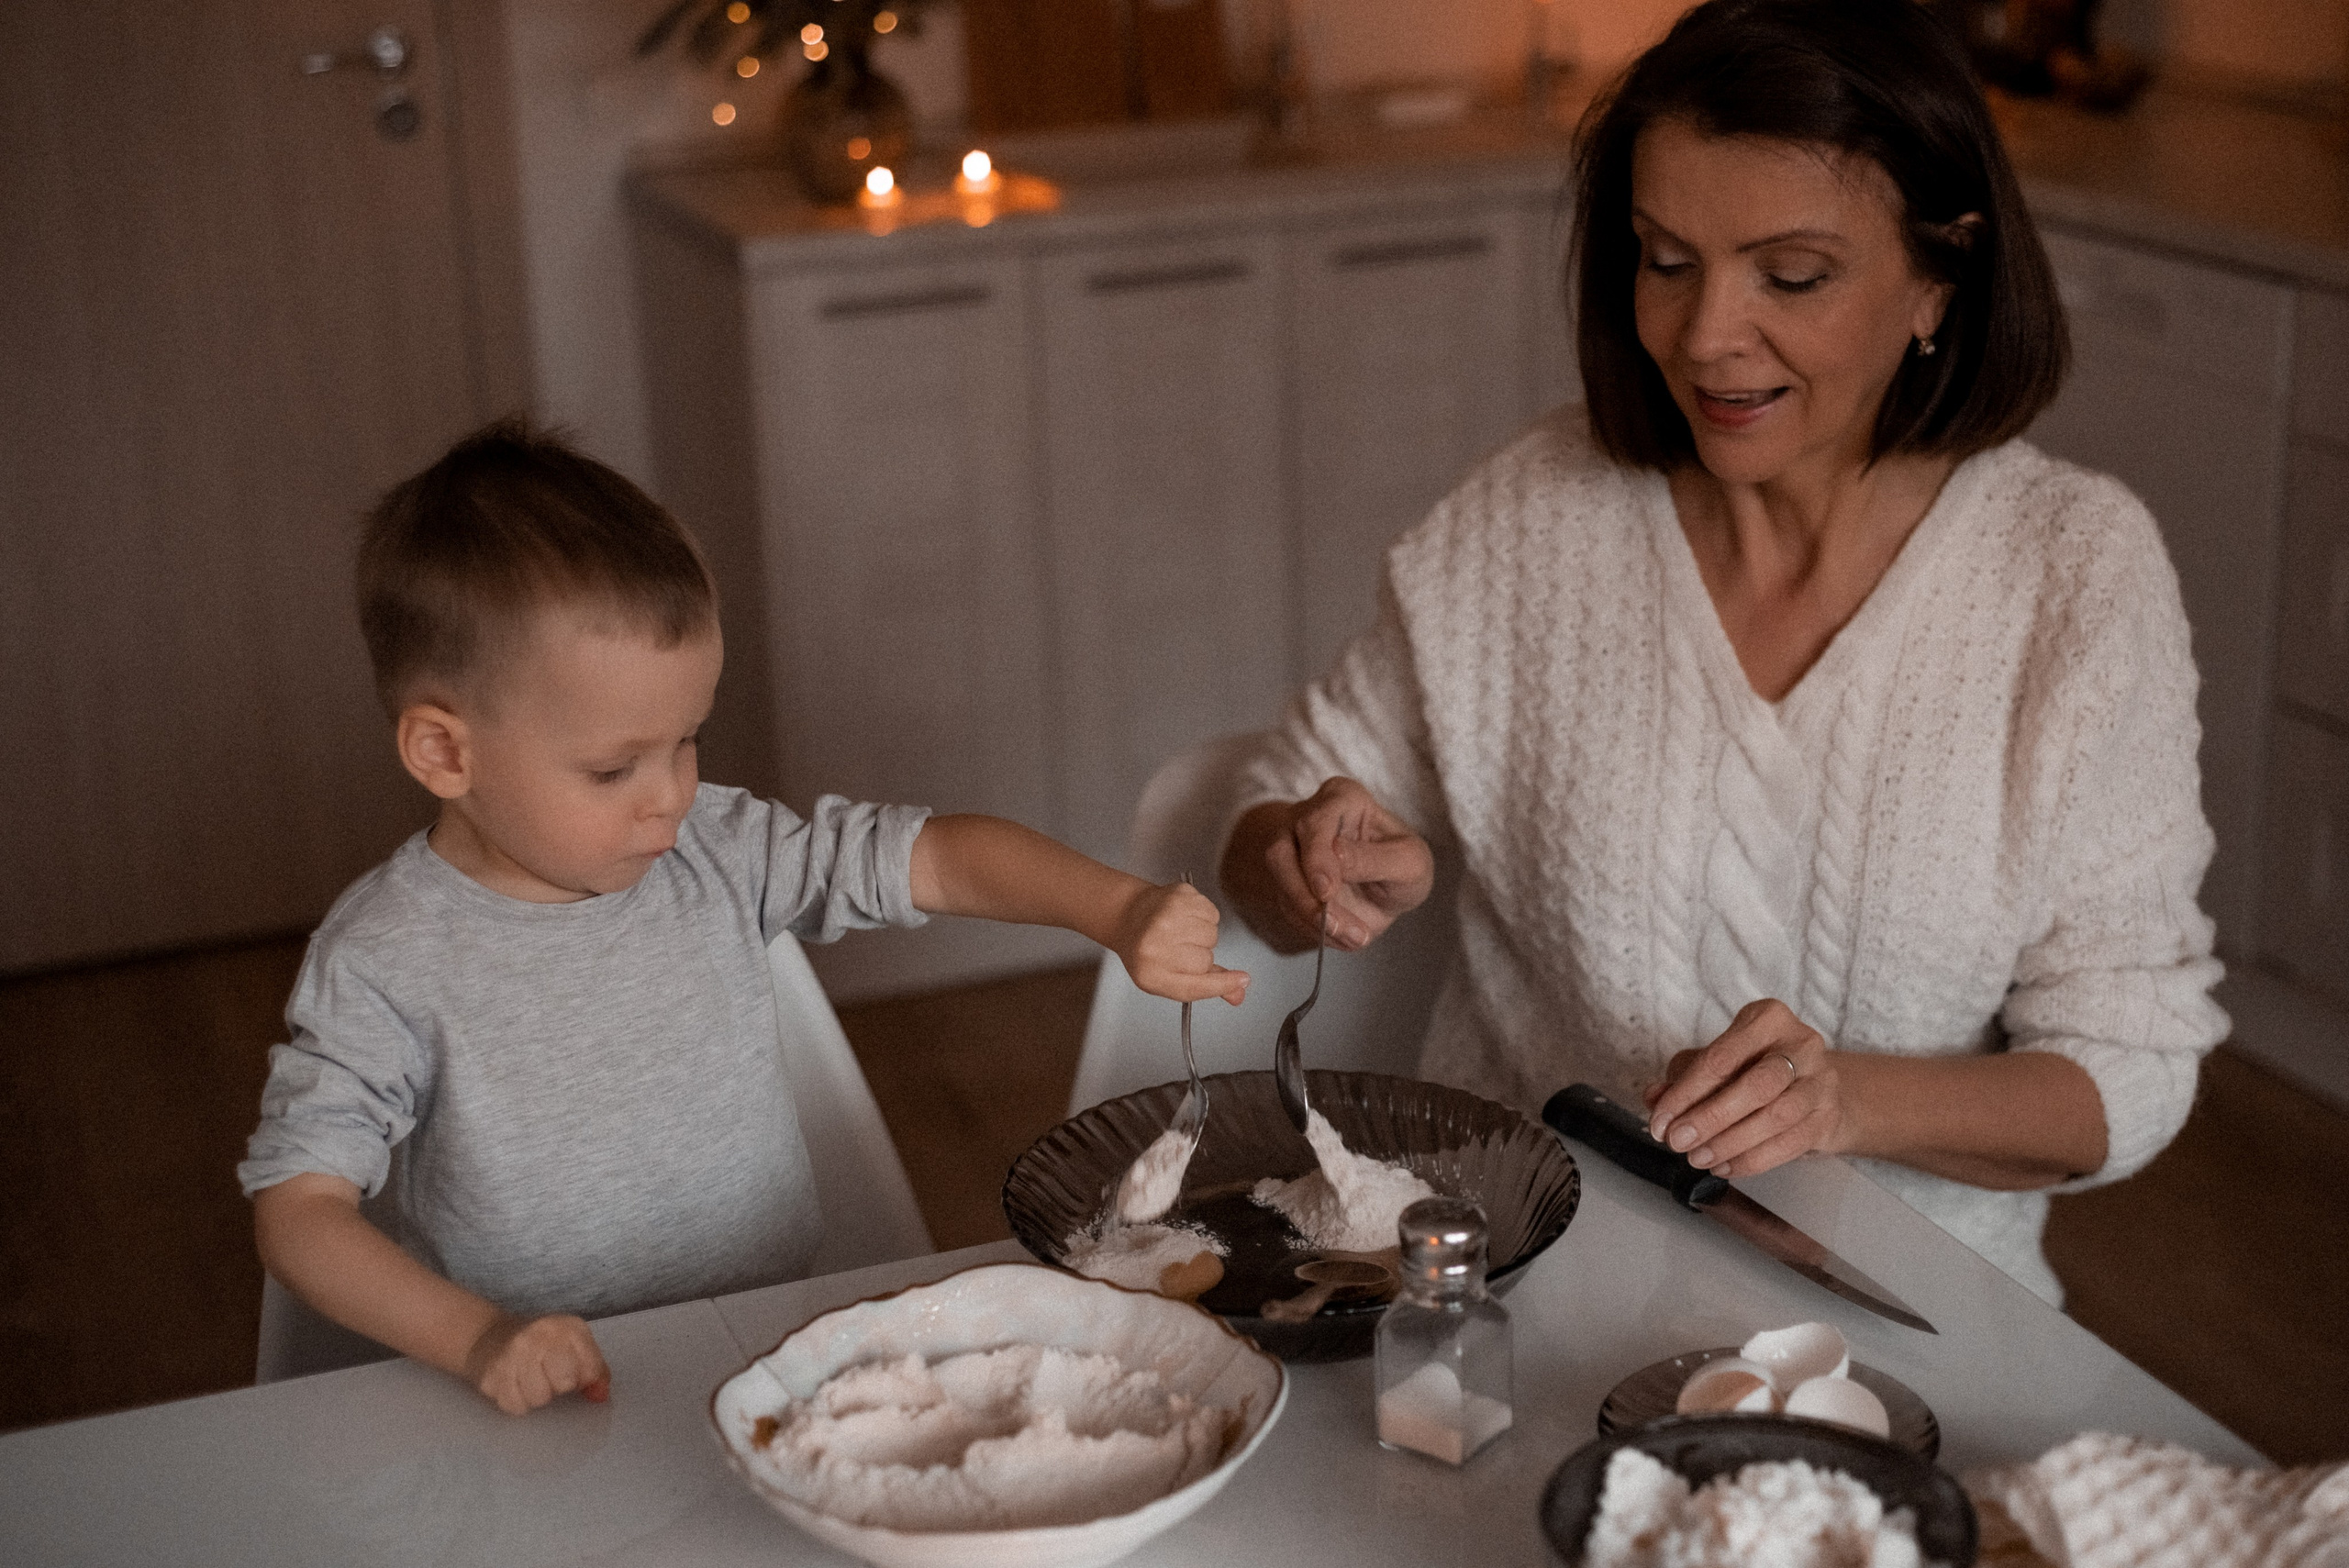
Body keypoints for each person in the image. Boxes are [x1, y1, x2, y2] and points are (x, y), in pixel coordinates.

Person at [1219, 0, 2223, 1302]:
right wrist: (1306, 851)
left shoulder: (2074, 575)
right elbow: (1262, 828)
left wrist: (1845, 1104)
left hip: (1903, 1329)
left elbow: (2130, 1073)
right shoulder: (1531, 518)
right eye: (1664, 258)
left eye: (1791, 276)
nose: (1704, 336)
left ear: (1940, 275)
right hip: (1516, 1283)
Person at [242, 423, 1249, 1414]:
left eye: (687, 739)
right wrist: (479, 1338)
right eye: (613, 767)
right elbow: (300, 1211)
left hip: (763, 1348)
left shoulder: (716, 848)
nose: (670, 794)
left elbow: (936, 855)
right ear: (444, 753)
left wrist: (1116, 906)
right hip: (542, 1396)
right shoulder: (388, 955)